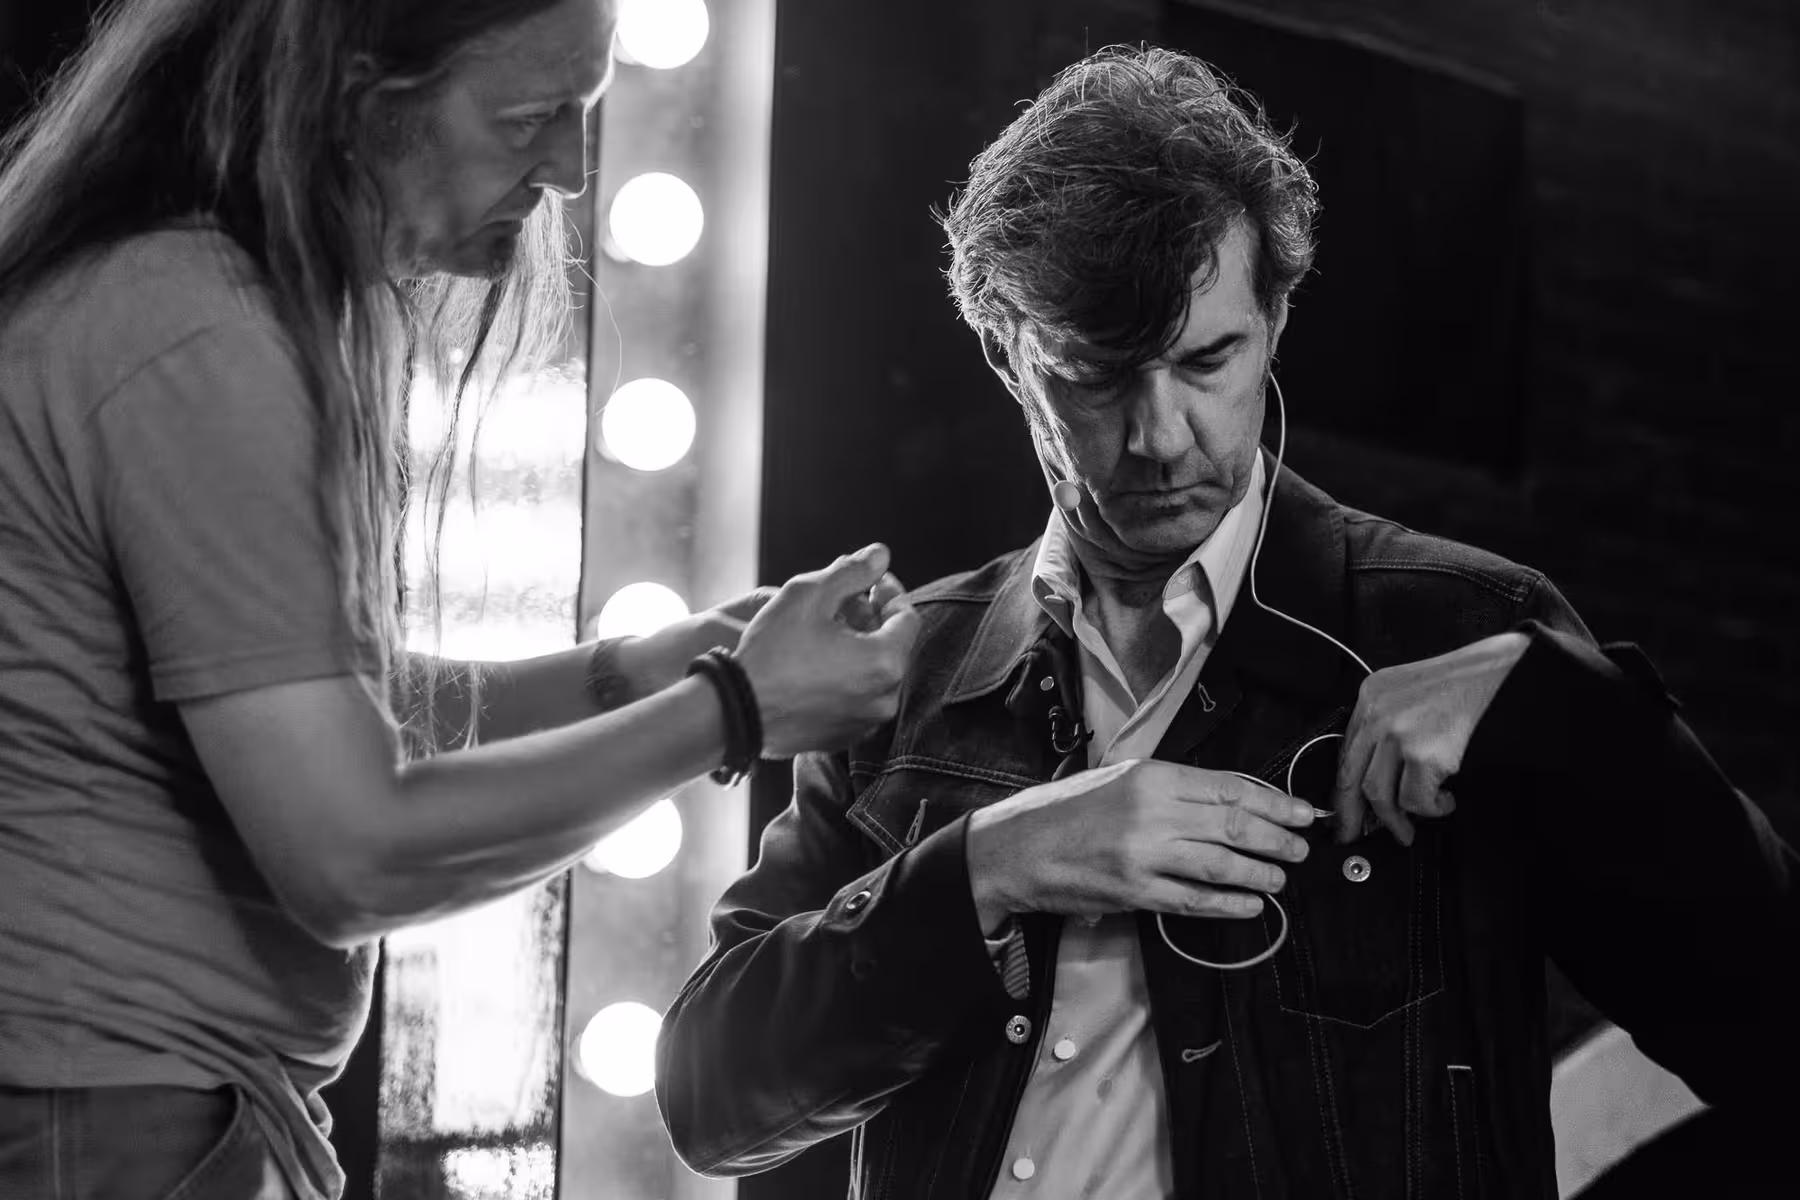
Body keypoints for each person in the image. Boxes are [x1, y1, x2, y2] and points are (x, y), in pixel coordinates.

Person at [654, 44, 1796, 1198]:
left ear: (1276, 319)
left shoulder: (1455, 627)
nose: (1159, 436)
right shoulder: (909, 677)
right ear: (1008, 356)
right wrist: (989, 865)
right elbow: (712, 1100)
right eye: (1094, 375)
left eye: (1208, 360)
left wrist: (1571, 721)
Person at [0, 1, 918, 1197]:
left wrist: (629, 676)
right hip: (115, 1121)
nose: (571, 174)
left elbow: (313, 719)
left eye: (583, 116)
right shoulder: (188, 331)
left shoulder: (167, 299)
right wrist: (732, 710)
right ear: (351, 95)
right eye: (530, 117)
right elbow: (351, 855)